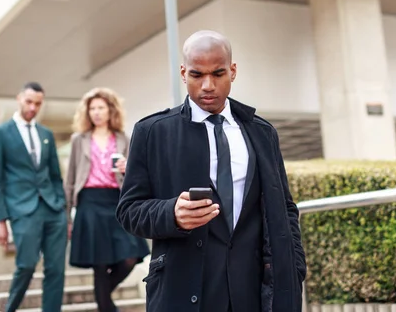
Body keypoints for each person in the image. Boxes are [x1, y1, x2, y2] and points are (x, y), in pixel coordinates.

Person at [116, 30, 307, 312]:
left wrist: (295, 265)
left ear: (233, 71)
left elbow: (285, 208)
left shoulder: (262, 132)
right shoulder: (151, 132)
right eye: (196, 75)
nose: (208, 85)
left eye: (218, 74)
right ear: (183, 73)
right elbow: (128, 210)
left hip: (253, 291)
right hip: (183, 289)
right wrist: (172, 214)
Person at [65, 88, 150, 312]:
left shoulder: (124, 139)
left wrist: (126, 167)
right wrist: (67, 217)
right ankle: (106, 306)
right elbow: (71, 179)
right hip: (89, 202)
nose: (96, 113)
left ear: (110, 110)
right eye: (92, 108)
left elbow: (137, 175)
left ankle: (104, 300)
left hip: (117, 201)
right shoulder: (78, 140)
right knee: (100, 264)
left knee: (131, 256)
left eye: (101, 107)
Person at [0, 82, 67, 312]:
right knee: (27, 264)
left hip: (53, 209)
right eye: (29, 102)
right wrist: (0, 220)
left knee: (56, 270)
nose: (33, 108)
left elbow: (55, 175)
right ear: (19, 98)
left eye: (38, 104)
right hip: (23, 210)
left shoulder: (46, 135)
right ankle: (10, 309)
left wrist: (62, 207)